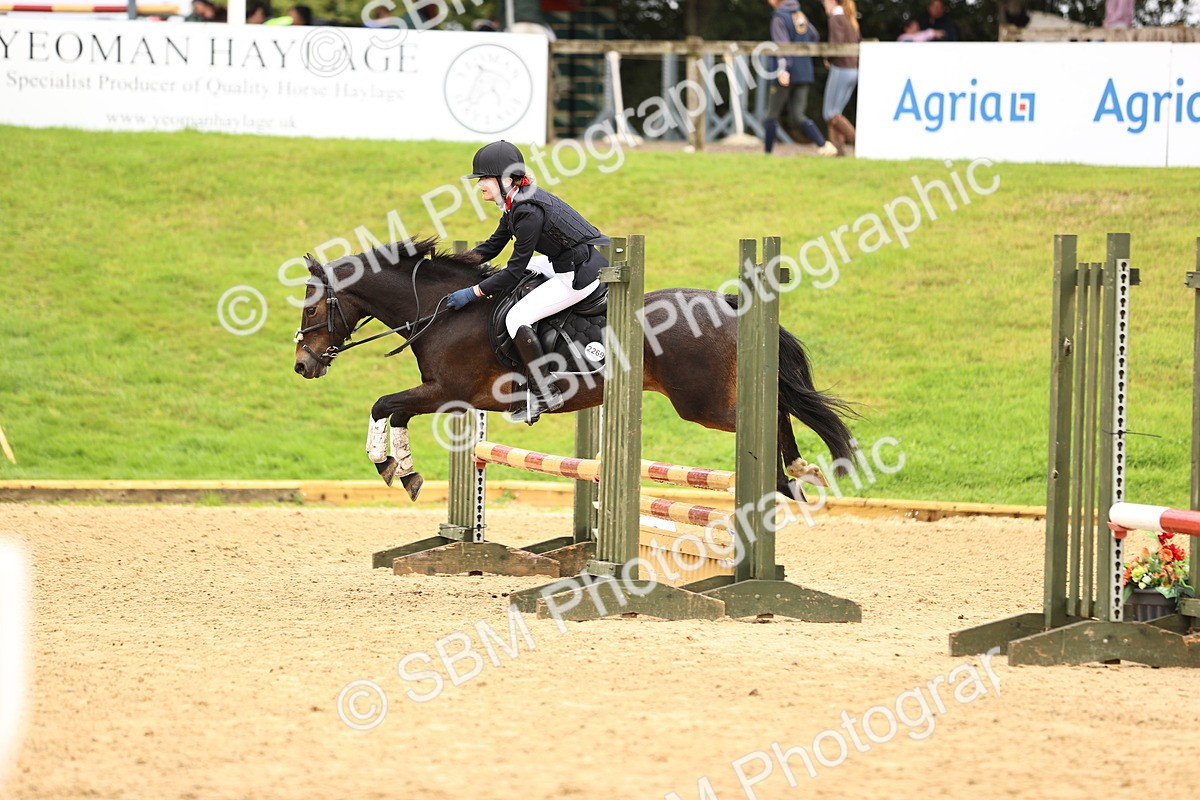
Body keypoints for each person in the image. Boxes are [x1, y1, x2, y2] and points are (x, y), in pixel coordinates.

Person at [446, 141, 610, 424]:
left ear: (505, 179)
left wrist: (473, 292)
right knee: (522, 277)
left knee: (516, 318)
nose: (480, 185)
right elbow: (492, 246)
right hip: (563, 260)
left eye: (484, 179)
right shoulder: (514, 203)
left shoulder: (527, 212)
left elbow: (512, 270)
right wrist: (453, 267)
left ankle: (546, 392)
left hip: (577, 274)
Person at [764, 0, 838, 157]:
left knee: (771, 115)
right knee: (798, 115)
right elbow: (814, 35)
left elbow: (782, 45)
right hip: (804, 71)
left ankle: (767, 154)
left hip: (786, 72)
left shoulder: (779, 18)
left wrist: (783, 69)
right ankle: (823, 145)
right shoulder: (800, 15)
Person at [821, 0, 860, 156]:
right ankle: (838, 152)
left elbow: (835, 45)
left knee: (829, 113)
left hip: (841, 67)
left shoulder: (836, 18)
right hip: (853, 69)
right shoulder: (850, 18)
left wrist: (827, 59)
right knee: (836, 113)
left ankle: (858, 141)